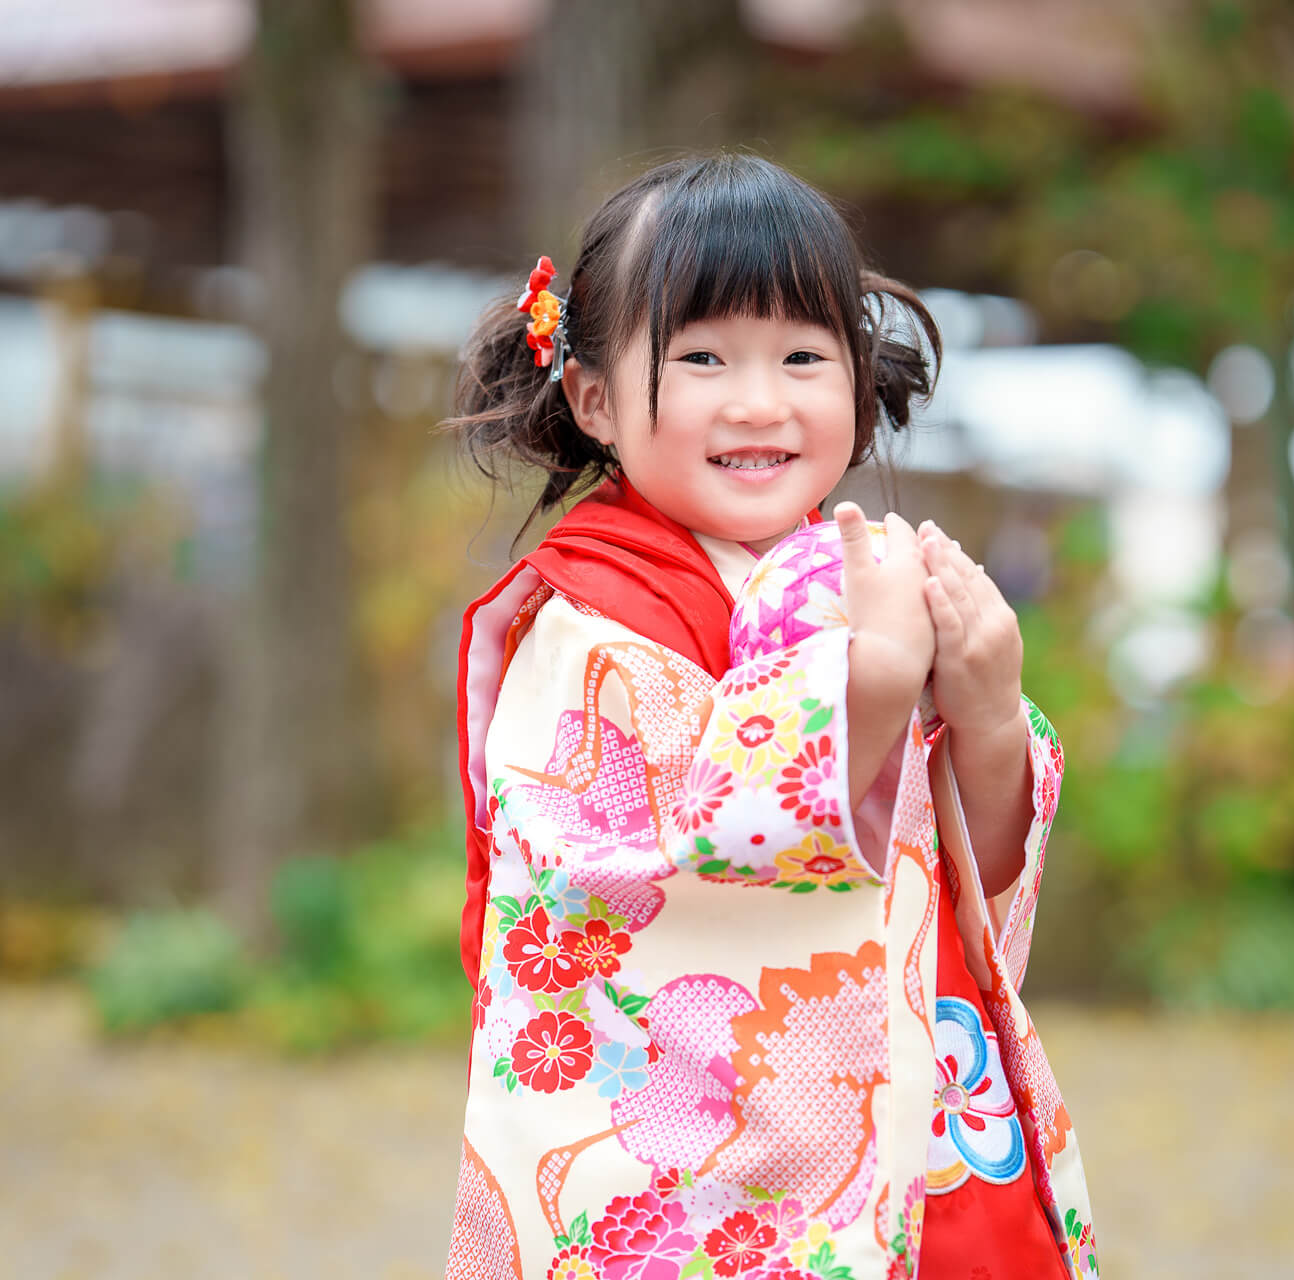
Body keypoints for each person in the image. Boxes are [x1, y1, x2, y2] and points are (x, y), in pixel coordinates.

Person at [441, 152, 1100, 1280]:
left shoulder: (851, 576)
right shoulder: (586, 619)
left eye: (803, 354)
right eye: (701, 357)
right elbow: (611, 881)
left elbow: (955, 880)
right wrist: (874, 683)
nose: (760, 400)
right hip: (714, 1189)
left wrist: (985, 717)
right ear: (595, 397)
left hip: (920, 1124)